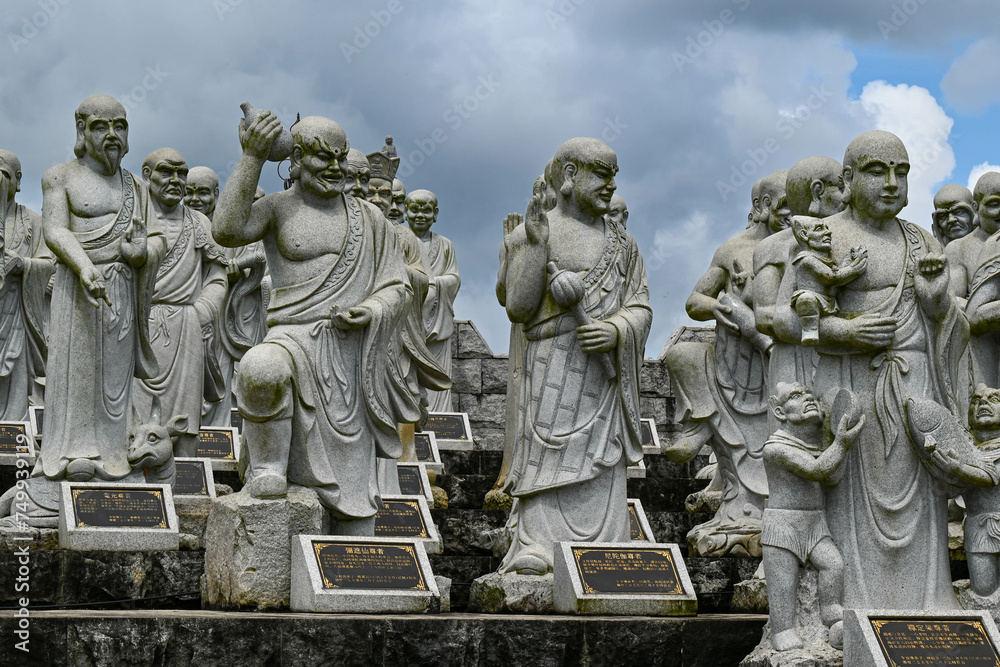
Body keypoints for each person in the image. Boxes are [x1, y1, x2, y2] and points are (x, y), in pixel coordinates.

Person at [775, 130, 969, 609]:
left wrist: (937, 300)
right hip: (850, 390)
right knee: (850, 500)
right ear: (848, 178)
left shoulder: (920, 238)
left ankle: (927, 601)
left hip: (915, 389)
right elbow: (781, 319)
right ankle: (851, 606)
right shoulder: (826, 236)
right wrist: (844, 331)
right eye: (877, 171)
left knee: (921, 502)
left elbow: (947, 320)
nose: (891, 182)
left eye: (901, 172)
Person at [213, 111, 410, 534]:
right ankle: (268, 466)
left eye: (340, 158)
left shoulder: (370, 220)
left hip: (348, 350)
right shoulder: (278, 209)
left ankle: (352, 549)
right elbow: (226, 230)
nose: (334, 168)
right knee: (260, 369)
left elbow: (398, 285)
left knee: (354, 507)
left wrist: (371, 309)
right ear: (296, 161)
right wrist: (252, 156)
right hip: (290, 335)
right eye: (323, 158)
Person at [498, 137, 651, 574]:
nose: (610, 184)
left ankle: (608, 544)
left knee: (603, 463)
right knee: (547, 454)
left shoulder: (625, 246)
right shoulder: (530, 231)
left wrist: (617, 329)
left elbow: (640, 304)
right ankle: (540, 544)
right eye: (602, 174)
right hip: (551, 366)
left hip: (602, 376)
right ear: (569, 175)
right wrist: (534, 246)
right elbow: (519, 308)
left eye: (614, 176)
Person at [35, 94, 165, 488]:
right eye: (100, 126)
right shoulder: (60, 176)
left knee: (114, 383)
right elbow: (55, 230)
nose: (112, 134)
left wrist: (141, 252)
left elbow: (155, 241)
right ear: (81, 129)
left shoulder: (137, 187)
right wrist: (83, 264)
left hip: (121, 292)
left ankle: (111, 458)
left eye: (120, 126)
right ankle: (71, 454)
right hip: (78, 287)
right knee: (75, 373)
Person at [663, 170, 788, 556]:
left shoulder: (799, 248)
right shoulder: (732, 249)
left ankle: (772, 514)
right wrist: (721, 306)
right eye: (785, 206)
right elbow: (694, 301)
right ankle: (701, 424)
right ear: (762, 206)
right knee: (681, 354)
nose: (792, 214)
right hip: (730, 364)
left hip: (775, 364)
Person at [132, 149, 227, 455]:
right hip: (138, 325)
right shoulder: (132, 218)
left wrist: (203, 311)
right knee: (134, 409)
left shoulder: (199, 222)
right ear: (147, 176)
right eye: (166, 172)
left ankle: (183, 467)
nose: (175, 180)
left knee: (185, 415)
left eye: (181, 173)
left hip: (186, 326)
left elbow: (217, 275)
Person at [761, 383, 860, 651]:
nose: (807, 399)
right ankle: (782, 629)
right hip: (782, 525)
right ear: (779, 411)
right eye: (796, 396)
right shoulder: (776, 448)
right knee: (783, 584)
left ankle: (830, 607)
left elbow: (832, 476)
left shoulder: (813, 445)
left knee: (834, 564)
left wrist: (833, 443)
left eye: (809, 395)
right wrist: (841, 444)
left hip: (814, 522)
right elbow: (817, 470)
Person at [0, 150, 54, 416]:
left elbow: (49, 263)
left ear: (18, 181)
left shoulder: (33, 221)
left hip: (18, 314)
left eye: (4, 176)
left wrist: (25, 265)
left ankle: (14, 432)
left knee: (16, 379)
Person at [406, 189, 460, 412]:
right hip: (408, 319)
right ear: (405, 211)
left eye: (426, 210)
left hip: (437, 319)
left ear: (435, 214)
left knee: (437, 369)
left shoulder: (445, 245)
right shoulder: (400, 241)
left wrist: (432, 284)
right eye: (414, 209)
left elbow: (453, 278)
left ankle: (439, 414)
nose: (420, 215)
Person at [787, 218, 867, 343]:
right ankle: (810, 330)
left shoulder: (825, 258)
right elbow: (831, 277)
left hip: (827, 298)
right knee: (806, 300)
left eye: (827, 228)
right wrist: (853, 269)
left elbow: (837, 273)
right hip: (812, 297)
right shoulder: (806, 259)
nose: (828, 232)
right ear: (804, 235)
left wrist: (849, 259)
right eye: (819, 229)